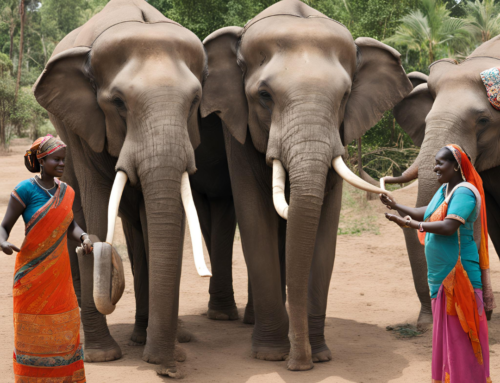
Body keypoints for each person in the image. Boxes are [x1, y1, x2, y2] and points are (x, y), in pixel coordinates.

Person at [380, 144, 494, 383]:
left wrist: (410, 225)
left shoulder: (465, 192)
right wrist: (396, 206)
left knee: (461, 339)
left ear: (455, 165)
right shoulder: (444, 190)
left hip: (459, 276)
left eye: (440, 163)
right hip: (441, 278)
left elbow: (449, 226)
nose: (435, 167)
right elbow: (427, 212)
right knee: (448, 339)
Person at [0, 135, 92, 383]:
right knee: (30, 332)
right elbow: (4, 225)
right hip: (31, 275)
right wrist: (2, 241)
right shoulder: (25, 190)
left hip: (59, 275)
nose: (62, 164)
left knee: (67, 324)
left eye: (64, 159)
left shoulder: (67, 192)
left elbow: (69, 224)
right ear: (42, 160)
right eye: (56, 159)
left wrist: (83, 236)